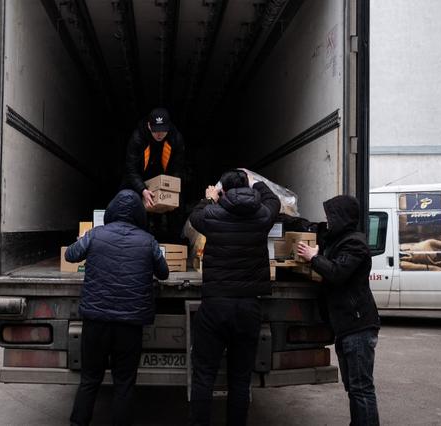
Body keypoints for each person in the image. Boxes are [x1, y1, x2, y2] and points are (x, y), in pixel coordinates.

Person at [65, 190, 169, 426]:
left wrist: (83, 239)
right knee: (124, 383)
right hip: (129, 326)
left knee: (90, 379)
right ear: (139, 215)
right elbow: (163, 273)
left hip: (95, 322)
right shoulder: (148, 240)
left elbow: (71, 255)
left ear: (111, 210)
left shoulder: (96, 234)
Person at [187, 169, 281, 426]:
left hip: (216, 304)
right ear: (248, 187)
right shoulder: (262, 215)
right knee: (240, 379)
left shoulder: (212, 214)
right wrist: (258, 184)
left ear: (223, 191)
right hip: (249, 306)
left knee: (204, 375)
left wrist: (209, 197)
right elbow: (274, 201)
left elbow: (194, 217)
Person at [296, 195, 381, 426]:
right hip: (346, 327)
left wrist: (314, 258)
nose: (327, 221)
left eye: (331, 216)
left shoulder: (355, 244)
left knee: (361, 389)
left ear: (342, 217)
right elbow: (316, 229)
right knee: (354, 388)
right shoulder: (339, 239)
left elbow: (337, 273)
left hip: (358, 326)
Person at [123, 107, 185, 242]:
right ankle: (137, 241)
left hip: (165, 178)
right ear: (149, 126)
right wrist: (142, 190)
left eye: (163, 130)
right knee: (130, 202)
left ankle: (175, 244)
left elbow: (178, 166)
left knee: (177, 206)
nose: (159, 134)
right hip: (141, 178)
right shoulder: (138, 138)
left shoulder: (175, 138)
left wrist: (172, 188)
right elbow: (131, 169)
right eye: (156, 130)